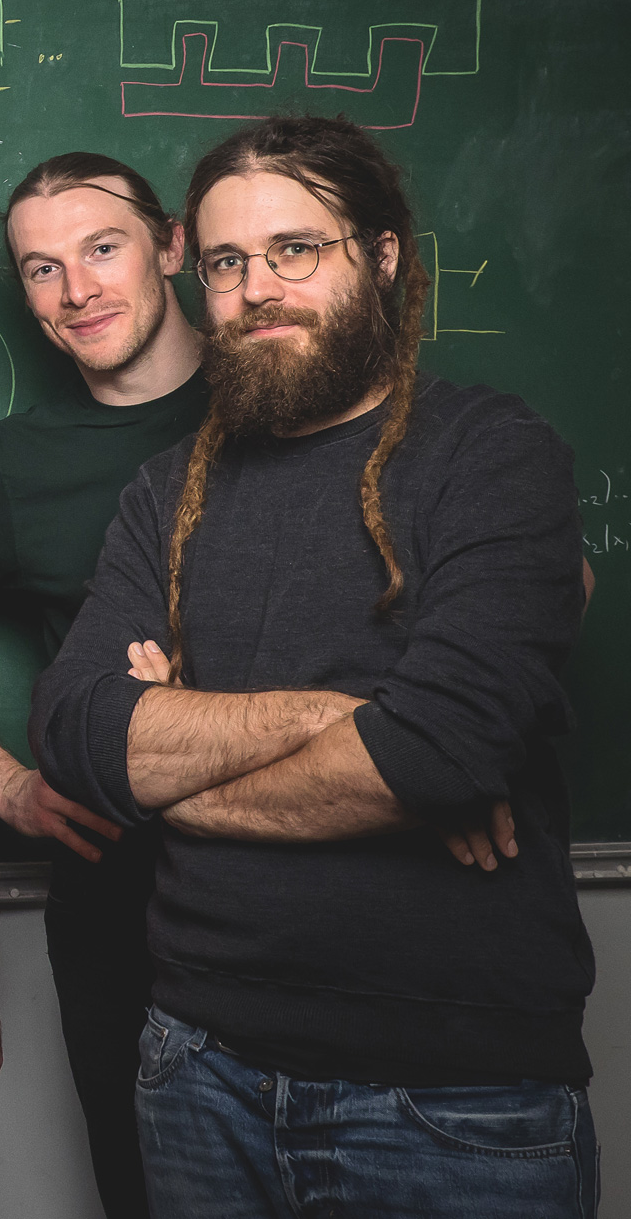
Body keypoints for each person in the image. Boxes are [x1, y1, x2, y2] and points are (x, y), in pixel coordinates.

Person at [31, 115, 598, 1216]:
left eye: (296, 250)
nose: (258, 290)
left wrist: (178, 766)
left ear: (379, 256)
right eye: (229, 263)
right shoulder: (161, 496)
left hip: (452, 1100)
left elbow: (439, 749)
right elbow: (79, 736)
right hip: (194, 1065)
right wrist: (348, 720)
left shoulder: (491, 455)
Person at [0, 152, 205, 1219]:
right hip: (123, 905)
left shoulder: (292, 395)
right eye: (40, 270)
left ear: (172, 244)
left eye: (101, 249)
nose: (77, 291)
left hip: (329, 892)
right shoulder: (18, 466)